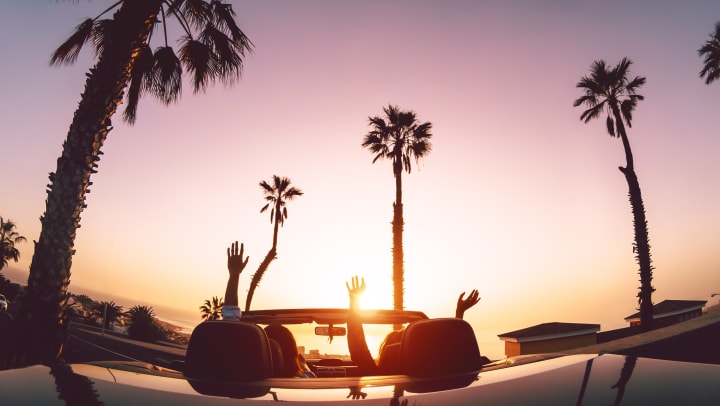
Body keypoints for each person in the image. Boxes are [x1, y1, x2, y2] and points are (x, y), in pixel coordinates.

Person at [345, 276, 480, 375]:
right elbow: (450, 349)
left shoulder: (376, 376)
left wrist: (355, 300)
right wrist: (459, 314)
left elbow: (359, 348)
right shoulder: (438, 373)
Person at [220, 241, 314, 378]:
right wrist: (302, 364)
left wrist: (234, 275)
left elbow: (230, 321)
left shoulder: (242, 376)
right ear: (292, 354)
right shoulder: (303, 383)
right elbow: (308, 375)